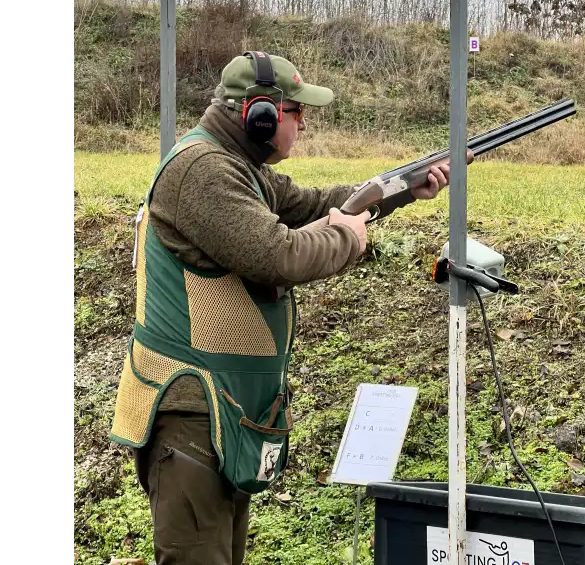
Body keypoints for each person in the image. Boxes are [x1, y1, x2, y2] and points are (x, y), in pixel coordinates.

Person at [108, 50, 459, 565]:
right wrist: (348, 238)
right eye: (297, 112)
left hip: (223, 410)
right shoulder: (203, 171)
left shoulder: (238, 167)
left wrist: (402, 190)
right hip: (192, 411)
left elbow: (318, 206)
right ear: (260, 115)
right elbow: (280, 256)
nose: (304, 124)